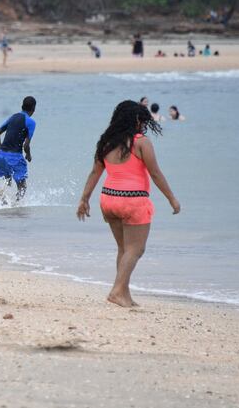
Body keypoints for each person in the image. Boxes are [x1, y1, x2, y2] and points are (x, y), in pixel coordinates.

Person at [75, 100, 180, 308]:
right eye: (143, 121)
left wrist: (84, 199)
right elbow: (155, 173)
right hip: (133, 201)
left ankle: (124, 293)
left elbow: (95, 172)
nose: (144, 125)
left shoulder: (106, 142)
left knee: (124, 249)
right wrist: (172, 198)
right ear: (137, 120)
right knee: (136, 249)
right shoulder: (141, 142)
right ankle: (116, 291)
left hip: (108, 199)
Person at [0, 96, 37, 201]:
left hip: (1, 156)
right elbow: (26, 145)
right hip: (15, 157)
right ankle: (16, 206)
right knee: (22, 187)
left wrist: (0, 148)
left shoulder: (13, 117)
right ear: (33, 109)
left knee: (7, 185)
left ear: (22, 106)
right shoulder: (31, 122)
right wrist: (28, 155)